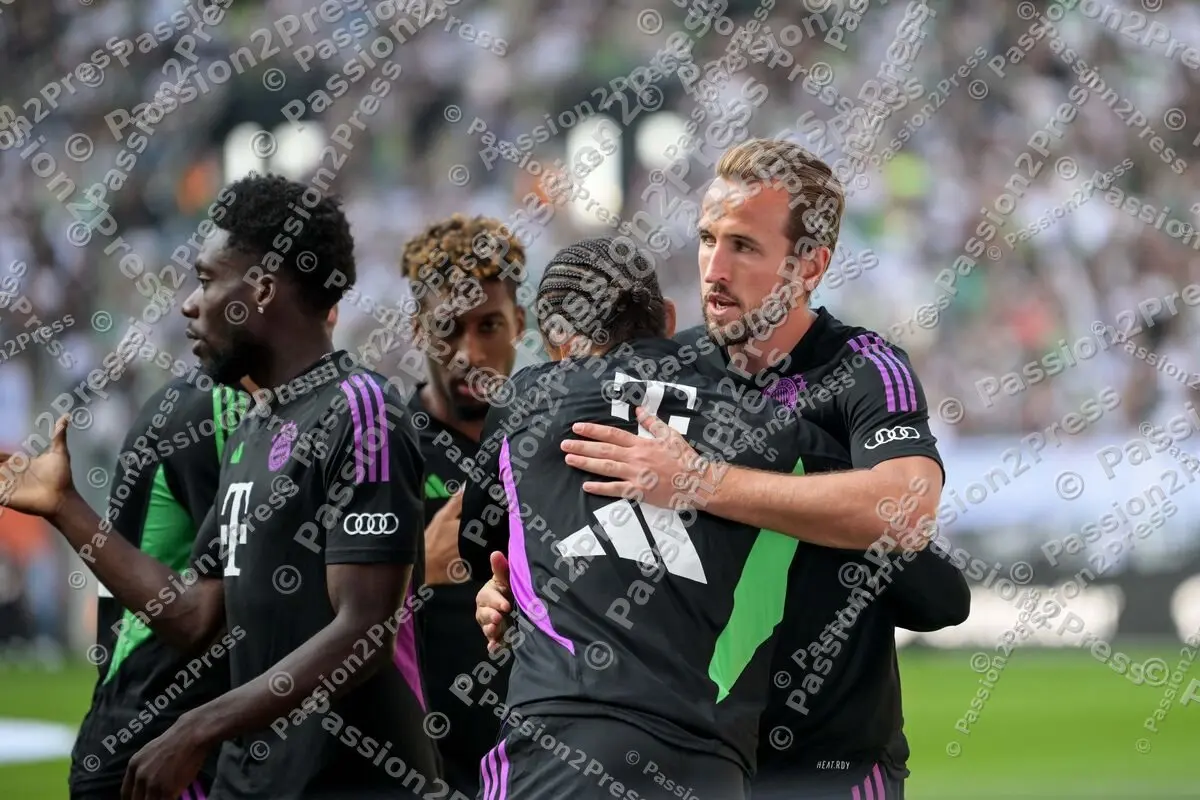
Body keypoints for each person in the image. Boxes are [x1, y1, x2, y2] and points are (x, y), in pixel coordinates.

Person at [476, 139, 971, 798]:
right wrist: (519, 591)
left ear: (808, 266)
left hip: (830, 760)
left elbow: (907, 510)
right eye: (709, 239)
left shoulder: (863, 371)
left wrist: (700, 482)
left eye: (744, 247)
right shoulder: (665, 370)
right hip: (698, 756)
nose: (714, 268)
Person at [0, 174, 438, 800]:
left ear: (259, 289)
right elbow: (193, 615)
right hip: (252, 783)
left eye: (207, 280)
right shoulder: (253, 429)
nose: (189, 303)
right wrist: (66, 509)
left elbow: (364, 630)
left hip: (352, 783)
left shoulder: (359, 410)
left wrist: (199, 727)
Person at [458, 237, 855, 800]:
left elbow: (478, 542)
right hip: (710, 763)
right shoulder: (774, 427)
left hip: (558, 746)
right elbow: (919, 574)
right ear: (668, 320)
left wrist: (505, 588)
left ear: (554, 343)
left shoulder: (530, 396)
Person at [72, 375, 248, 800]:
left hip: (132, 720)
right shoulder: (223, 408)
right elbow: (232, 601)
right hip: (169, 741)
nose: (190, 308)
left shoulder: (178, 399)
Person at [399, 214, 525, 796]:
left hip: (536, 760)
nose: (469, 352)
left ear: (519, 323)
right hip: (423, 766)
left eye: (489, 326)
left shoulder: (553, 440)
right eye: (448, 329)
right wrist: (415, 569)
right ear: (419, 329)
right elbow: (295, 618)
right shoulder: (379, 449)